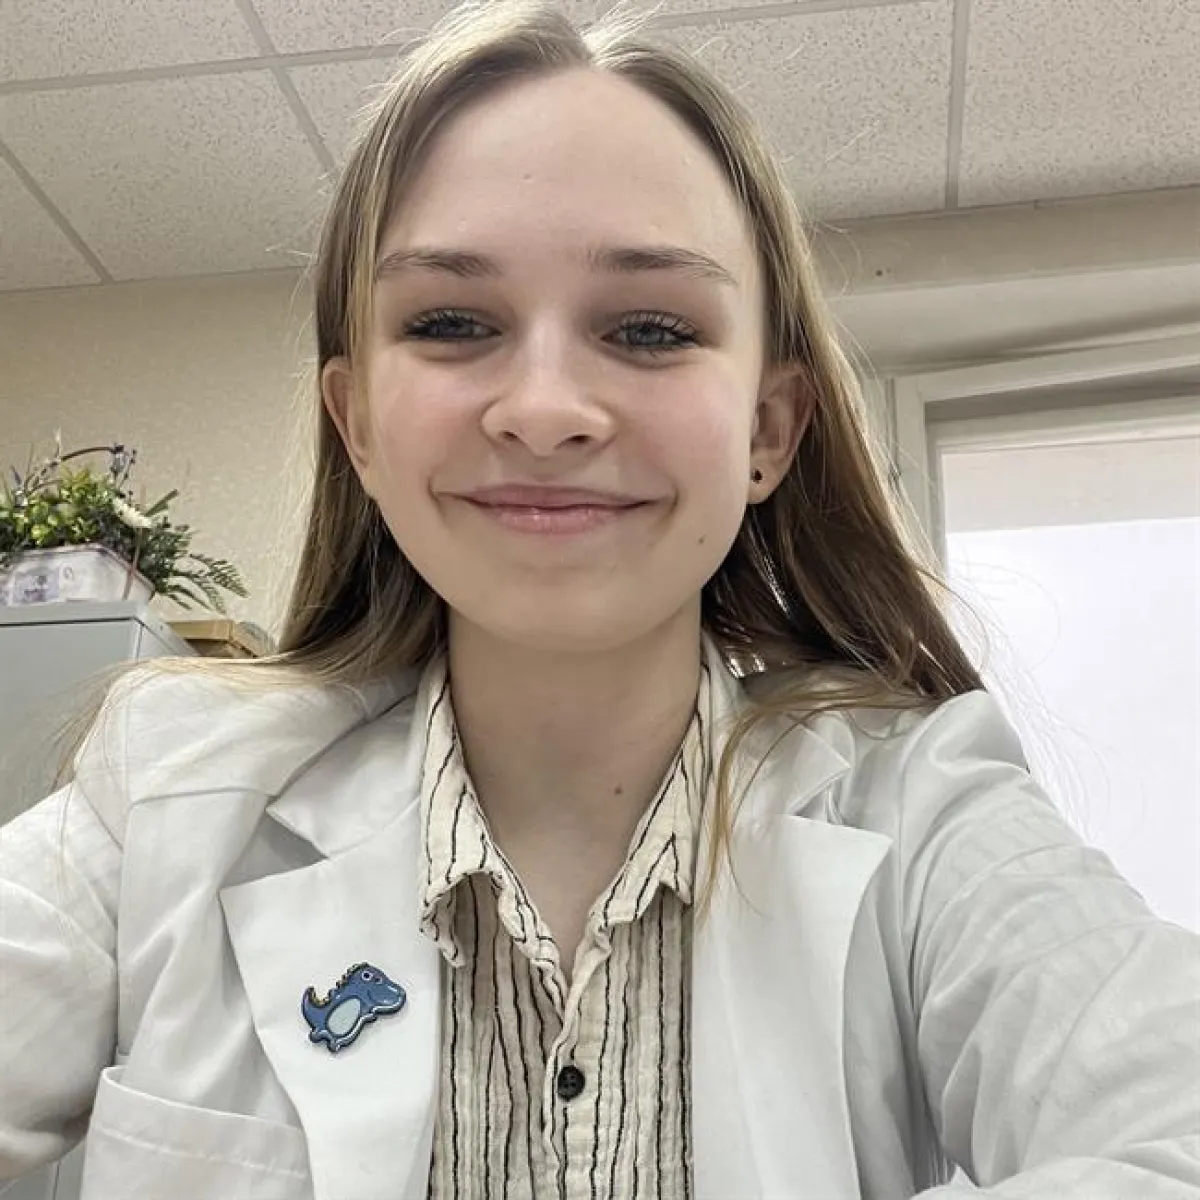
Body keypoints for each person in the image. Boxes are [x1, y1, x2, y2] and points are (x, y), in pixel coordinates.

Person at [2, 1, 1198, 1197]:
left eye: (650, 329)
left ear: (766, 431)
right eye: (452, 323)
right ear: (356, 422)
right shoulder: (167, 796)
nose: (544, 409)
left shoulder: (923, 811)